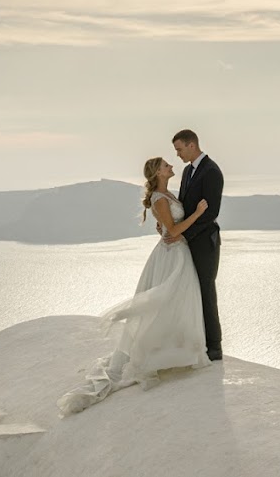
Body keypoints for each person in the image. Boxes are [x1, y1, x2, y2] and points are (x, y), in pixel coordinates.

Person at [56, 156, 211, 416]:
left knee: (176, 301)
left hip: (177, 252)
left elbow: (167, 228)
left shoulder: (166, 195)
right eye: (166, 166)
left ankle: (176, 349)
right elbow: (173, 232)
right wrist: (197, 213)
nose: (171, 166)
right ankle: (161, 354)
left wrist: (166, 227)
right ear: (158, 173)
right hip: (171, 255)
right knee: (165, 300)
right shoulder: (159, 199)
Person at [167, 128, 224, 361]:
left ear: (192, 145)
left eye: (179, 149)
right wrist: (170, 225)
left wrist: (184, 234)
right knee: (189, 289)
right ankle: (195, 340)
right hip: (188, 240)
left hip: (204, 243)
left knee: (205, 290)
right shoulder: (187, 171)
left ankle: (214, 347)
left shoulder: (211, 171)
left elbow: (210, 213)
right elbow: (184, 206)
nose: (178, 154)